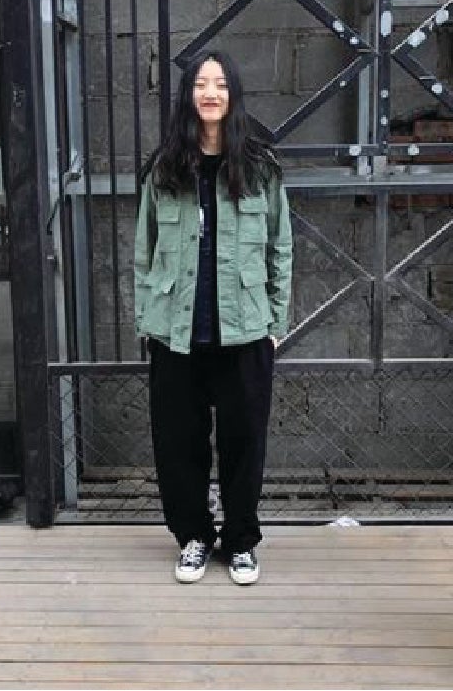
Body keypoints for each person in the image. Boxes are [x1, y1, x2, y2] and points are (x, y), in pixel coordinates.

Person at [135, 49, 292, 584]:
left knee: (245, 441)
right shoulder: (165, 169)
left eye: (220, 84)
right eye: (201, 83)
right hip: (176, 333)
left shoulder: (260, 169)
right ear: (188, 96)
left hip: (245, 330)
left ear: (233, 96)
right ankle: (195, 537)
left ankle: (241, 541)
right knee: (179, 443)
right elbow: (144, 249)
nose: (210, 93)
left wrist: (275, 323)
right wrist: (145, 319)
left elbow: (280, 249)